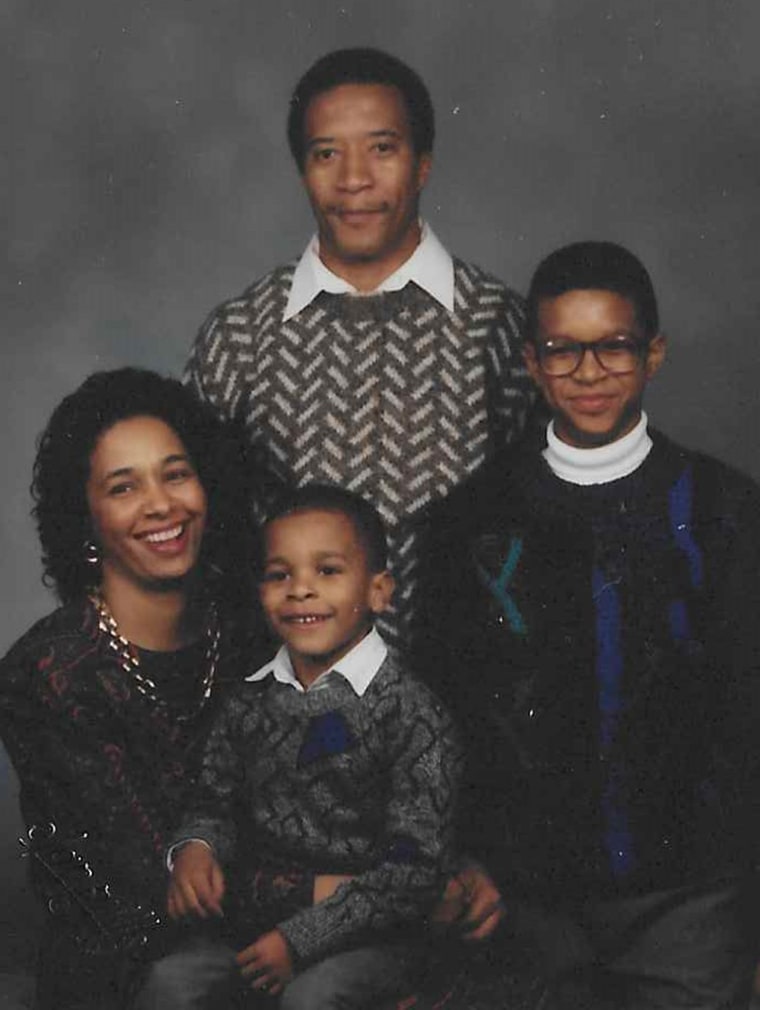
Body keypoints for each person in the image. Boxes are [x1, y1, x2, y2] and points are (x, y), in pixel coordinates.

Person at [414, 241, 760, 1008]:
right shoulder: (470, 522)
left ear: (655, 353)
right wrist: (465, 860)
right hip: (525, 900)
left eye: (614, 346)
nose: (589, 372)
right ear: (532, 365)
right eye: (563, 351)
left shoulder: (726, 510)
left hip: (691, 900)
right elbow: (438, 714)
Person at [185, 46, 534, 646]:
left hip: (468, 700)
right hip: (291, 704)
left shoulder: (498, 325)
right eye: (327, 154)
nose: (354, 180)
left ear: (422, 164)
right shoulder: (240, 336)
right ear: (302, 170)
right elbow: (199, 541)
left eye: (382, 148)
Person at [135, 484, 461, 1009]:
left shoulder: (414, 714)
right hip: (258, 920)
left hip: (374, 934)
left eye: (327, 571)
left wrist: (299, 940)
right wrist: (196, 849)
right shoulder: (248, 702)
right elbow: (212, 804)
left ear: (379, 591)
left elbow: (413, 875)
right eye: (279, 574)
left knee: (311, 999)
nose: (300, 590)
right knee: (171, 984)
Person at [0, 368, 258, 1010]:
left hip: (266, 937)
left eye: (175, 474)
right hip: (128, 969)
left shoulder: (255, 632)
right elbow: (146, 883)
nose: (161, 505)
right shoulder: (48, 673)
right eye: (124, 487)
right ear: (85, 519)